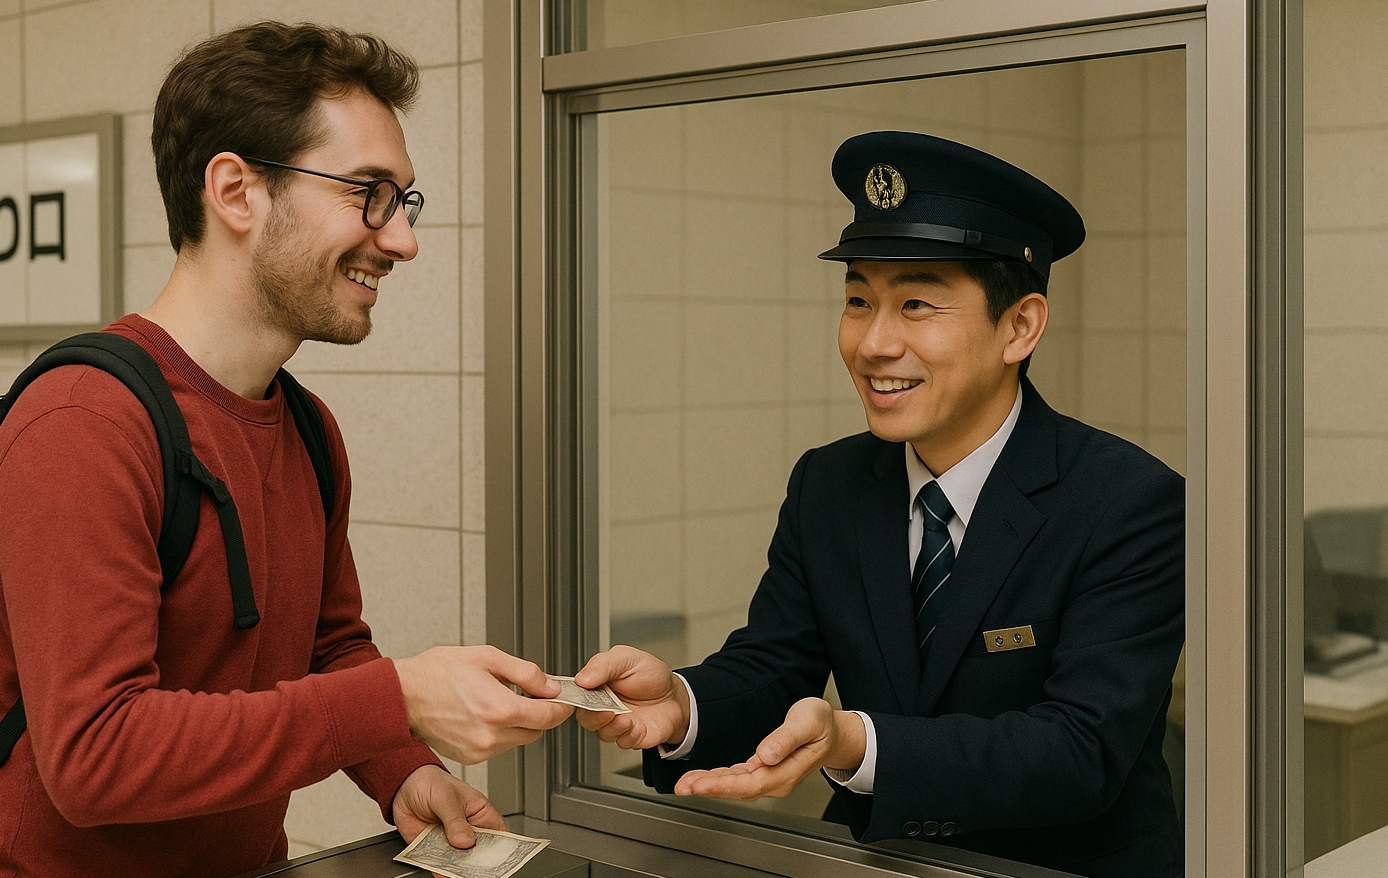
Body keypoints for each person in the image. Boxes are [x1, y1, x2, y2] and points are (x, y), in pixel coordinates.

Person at [0, 22, 572, 877]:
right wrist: (399, 699)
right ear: (235, 192)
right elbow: (94, 757)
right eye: (366, 192)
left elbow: (327, 646)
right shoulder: (83, 422)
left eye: (402, 201)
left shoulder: (307, 428)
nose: (402, 238)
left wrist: (400, 770)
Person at [575, 131, 1185, 878]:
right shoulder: (829, 484)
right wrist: (682, 702)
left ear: (1019, 327)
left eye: (917, 303)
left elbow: (1080, 749)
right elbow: (775, 667)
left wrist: (856, 743)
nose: (872, 342)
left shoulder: (1127, 501)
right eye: (858, 300)